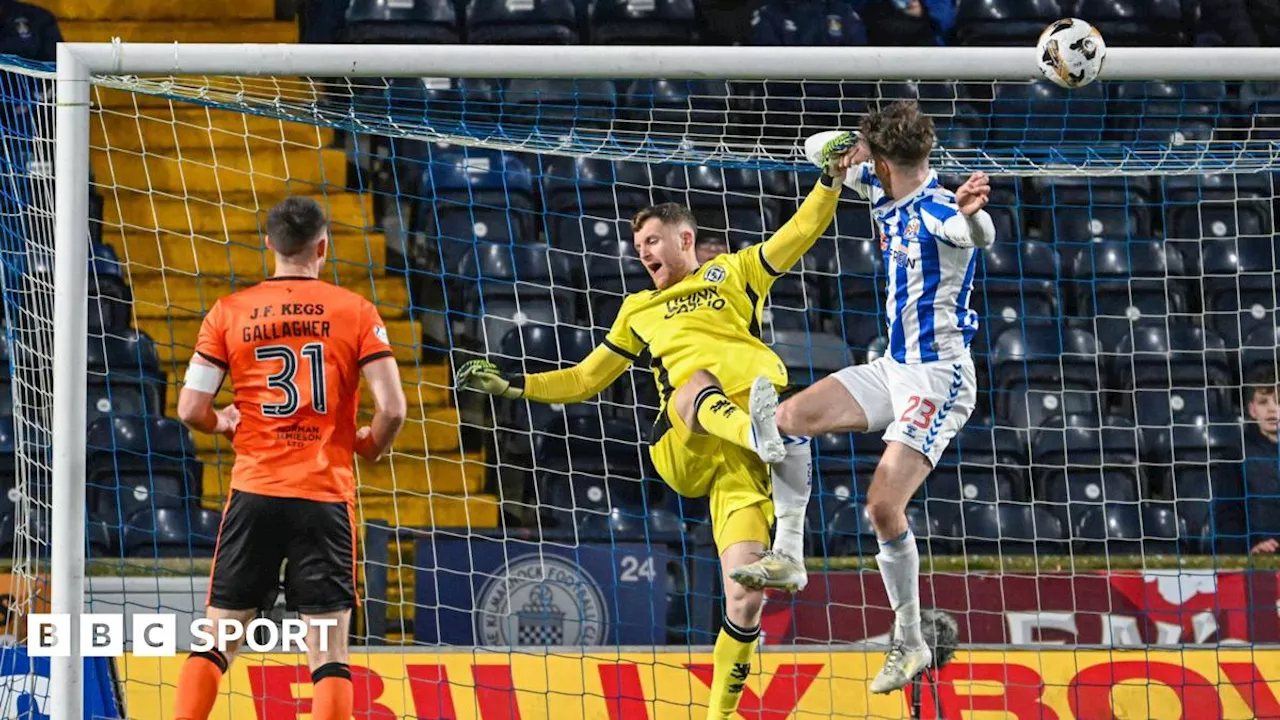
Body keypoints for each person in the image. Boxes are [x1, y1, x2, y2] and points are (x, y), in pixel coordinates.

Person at [454, 154, 849, 720]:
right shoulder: (638, 308)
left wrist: (829, 179)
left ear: (685, 238)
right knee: (696, 382)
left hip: (738, 467)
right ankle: (759, 432)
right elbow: (587, 378)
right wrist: (516, 385)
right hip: (684, 439)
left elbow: (800, 231)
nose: (642, 251)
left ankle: (718, 714)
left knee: (746, 594)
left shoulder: (734, 274)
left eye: (652, 240)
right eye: (637, 245)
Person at [738, 101, 994, 694]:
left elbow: (972, 233)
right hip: (894, 364)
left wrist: (974, 216)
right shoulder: (880, 187)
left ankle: (909, 640)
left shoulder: (938, 210)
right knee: (789, 417)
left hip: (939, 377)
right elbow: (814, 145)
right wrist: (844, 152)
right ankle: (789, 554)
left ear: (883, 162)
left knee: (883, 505)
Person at [172, 197, 407, 720]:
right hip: (324, 498)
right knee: (328, 656)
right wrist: (369, 445)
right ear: (323, 247)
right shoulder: (355, 310)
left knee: (217, 640)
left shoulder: (229, 311)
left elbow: (191, 408)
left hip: (255, 493)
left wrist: (221, 422)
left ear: (269, 245)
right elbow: (392, 408)